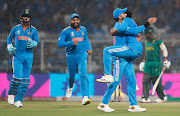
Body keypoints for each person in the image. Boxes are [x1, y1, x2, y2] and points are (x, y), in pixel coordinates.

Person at [97, 8, 156, 112]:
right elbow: (128, 31)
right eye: (123, 13)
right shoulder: (121, 24)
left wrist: (135, 37)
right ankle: (103, 103)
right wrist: (143, 28)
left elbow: (130, 31)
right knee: (115, 80)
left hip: (125, 54)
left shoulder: (121, 25)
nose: (125, 13)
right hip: (119, 56)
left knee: (132, 81)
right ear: (119, 17)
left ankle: (133, 105)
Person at [57, 13, 92, 105]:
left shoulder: (83, 29)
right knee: (71, 76)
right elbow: (59, 43)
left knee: (83, 74)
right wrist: (71, 43)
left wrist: (89, 48)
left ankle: (85, 97)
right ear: (70, 21)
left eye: (77, 20)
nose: (75, 21)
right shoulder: (66, 31)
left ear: (79, 21)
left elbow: (86, 40)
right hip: (71, 55)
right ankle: (70, 87)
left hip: (82, 55)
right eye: (73, 20)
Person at [7, 9, 38, 107]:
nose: (26, 19)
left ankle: (19, 100)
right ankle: (11, 94)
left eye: (28, 17)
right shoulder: (15, 29)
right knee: (17, 77)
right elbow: (9, 39)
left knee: (25, 80)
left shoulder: (33, 30)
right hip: (18, 55)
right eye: (25, 17)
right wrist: (9, 46)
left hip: (29, 56)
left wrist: (34, 43)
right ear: (21, 18)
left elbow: (36, 41)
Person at [139, 26, 171, 103]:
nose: (146, 36)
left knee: (156, 79)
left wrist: (165, 59)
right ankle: (145, 97)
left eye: (147, 34)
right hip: (147, 63)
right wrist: (143, 61)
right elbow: (146, 52)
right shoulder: (146, 41)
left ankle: (161, 97)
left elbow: (164, 49)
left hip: (156, 62)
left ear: (151, 33)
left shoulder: (157, 40)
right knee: (145, 80)